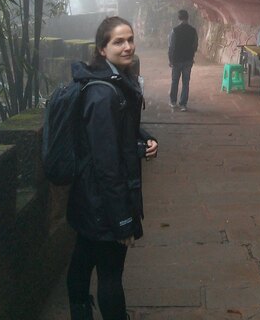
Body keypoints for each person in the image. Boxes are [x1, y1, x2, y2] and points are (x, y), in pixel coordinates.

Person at [66, 16, 158, 320]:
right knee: (110, 274)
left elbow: (119, 134)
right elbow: (107, 165)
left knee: (82, 259)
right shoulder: (103, 93)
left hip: (90, 198)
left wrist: (143, 140)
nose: (128, 46)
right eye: (118, 41)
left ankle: (80, 311)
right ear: (102, 49)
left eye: (130, 39)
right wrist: (122, 221)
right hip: (104, 201)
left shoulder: (115, 81)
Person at [168, 9, 198, 111]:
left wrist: (170, 59)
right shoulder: (193, 31)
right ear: (187, 17)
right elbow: (195, 46)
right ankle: (183, 104)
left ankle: (173, 102)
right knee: (186, 82)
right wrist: (191, 55)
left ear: (179, 18)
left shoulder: (174, 30)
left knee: (174, 81)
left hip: (176, 60)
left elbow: (171, 46)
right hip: (188, 60)